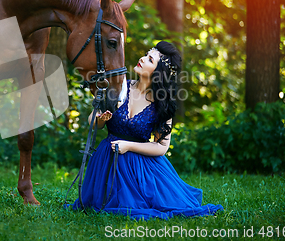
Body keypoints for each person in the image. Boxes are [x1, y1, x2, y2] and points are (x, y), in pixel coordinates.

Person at [68, 41, 223, 220]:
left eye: (149, 59)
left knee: (145, 205)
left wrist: (129, 146)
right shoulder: (119, 87)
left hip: (138, 165)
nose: (142, 59)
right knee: (99, 205)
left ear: (158, 73)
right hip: (107, 160)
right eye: (146, 54)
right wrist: (99, 119)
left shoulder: (162, 105)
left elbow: (161, 147)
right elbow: (93, 123)